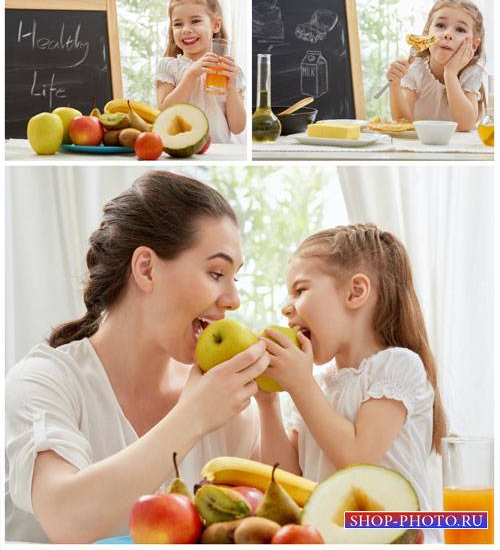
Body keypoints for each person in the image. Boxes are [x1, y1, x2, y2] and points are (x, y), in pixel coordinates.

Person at [5, 171, 269, 543]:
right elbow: (67, 519)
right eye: (215, 272)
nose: (233, 300)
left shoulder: (225, 406)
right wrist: (193, 416)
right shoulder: (42, 382)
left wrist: (269, 404)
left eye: (234, 278)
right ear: (146, 268)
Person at [255, 223, 445, 514]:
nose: (285, 307)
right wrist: (267, 402)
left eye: (300, 290)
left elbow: (358, 461)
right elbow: (285, 480)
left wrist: (300, 385)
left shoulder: (398, 366)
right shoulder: (316, 386)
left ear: (356, 292)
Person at [156, 0, 246, 142]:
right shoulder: (169, 66)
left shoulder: (229, 70)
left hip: (220, 151)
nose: (185, 30)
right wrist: (191, 74)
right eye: (178, 24)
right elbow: (165, 112)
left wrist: (231, 86)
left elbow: (238, 127)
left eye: (195, 21)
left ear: (216, 25)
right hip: (181, 148)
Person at [387, 0, 486, 130]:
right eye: (440, 25)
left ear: (474, 45)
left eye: (460, 29)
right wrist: (394, 86)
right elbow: (402, 121)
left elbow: (465, 125)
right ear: (425, 34)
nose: (448, 34)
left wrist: (450, 74)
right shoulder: (416, 69)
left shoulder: (471, 73)